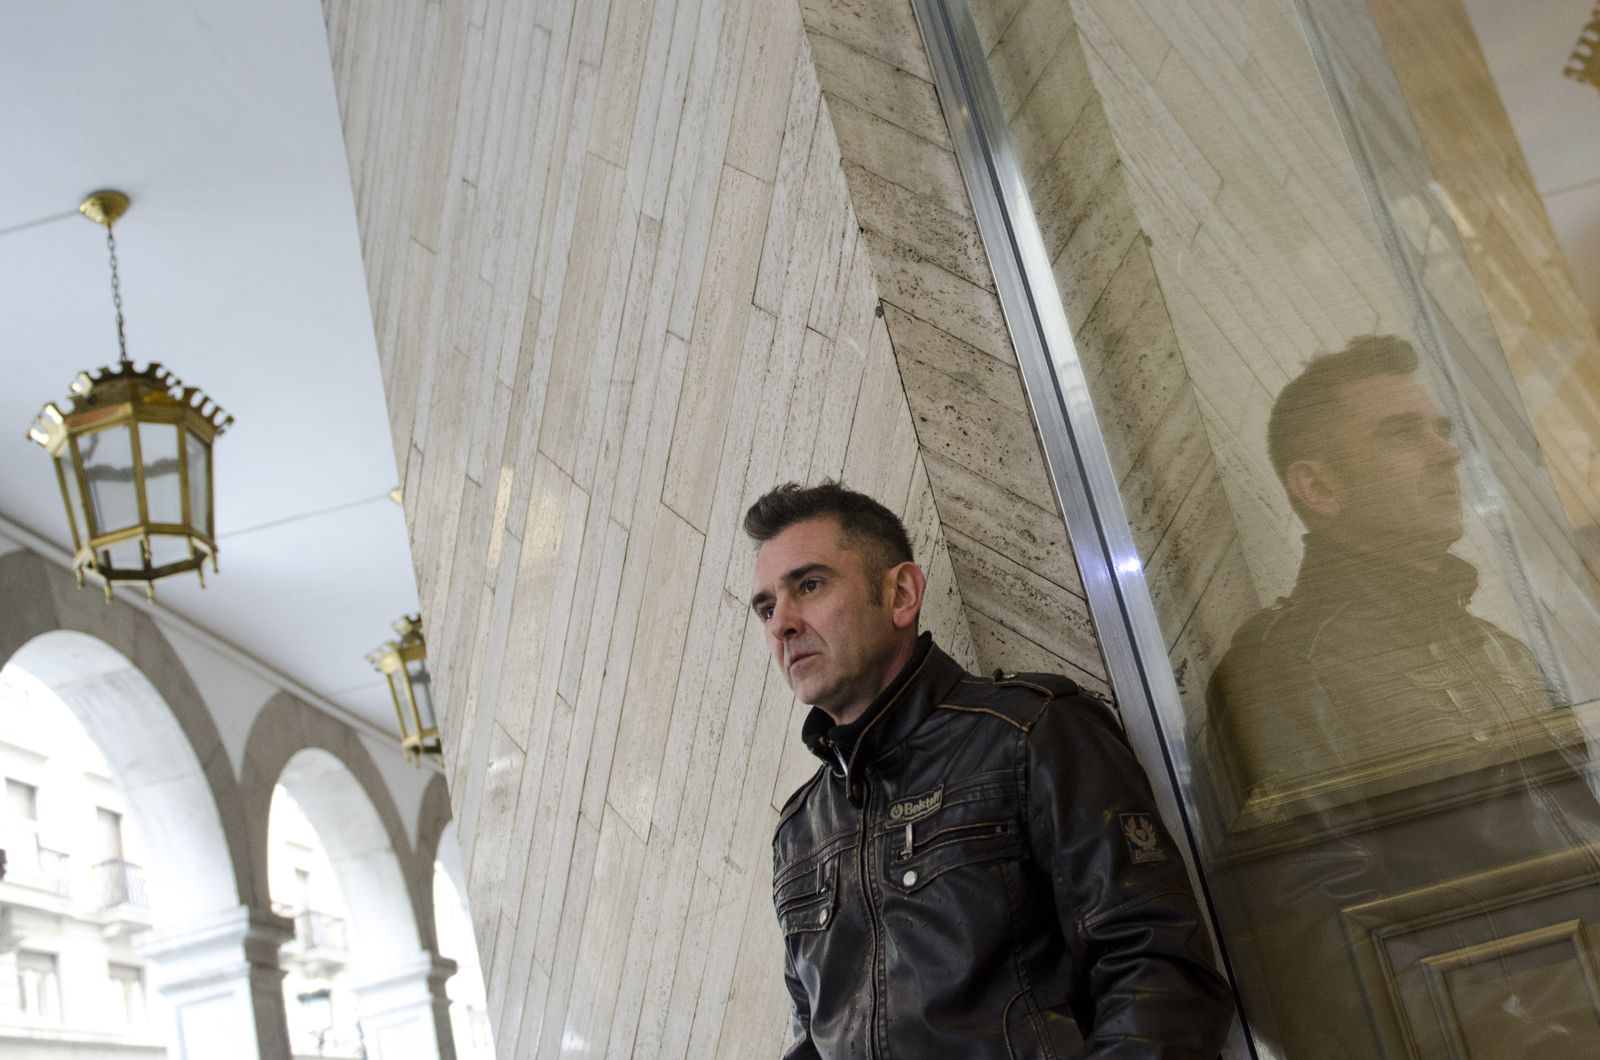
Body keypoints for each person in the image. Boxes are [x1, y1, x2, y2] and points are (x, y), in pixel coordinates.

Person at [745, 481, 1234, 1060]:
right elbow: (816, 1039)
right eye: (767, 607)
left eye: (810, 585)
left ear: (901, 593)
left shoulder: (1029, 733)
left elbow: (1162, 973)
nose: (782, 624)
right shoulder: (800, 833)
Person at [1205, 335, 1562, 815]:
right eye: (1402, 433)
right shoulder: (1286, 667)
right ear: (1319, 486)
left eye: (1441, 430)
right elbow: (1312, 866)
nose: (1448, 454)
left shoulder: (1502, 648)